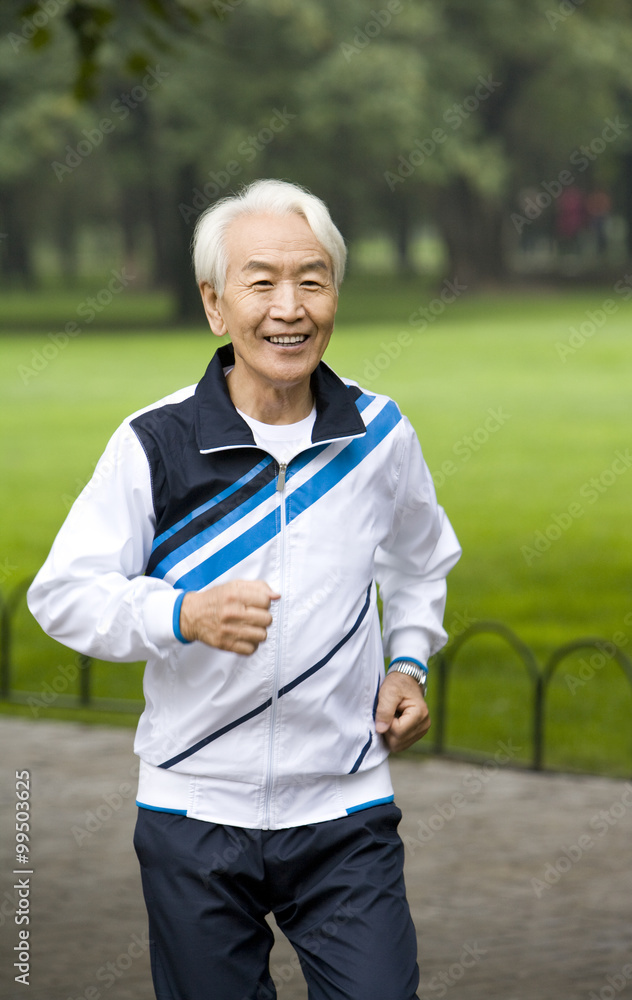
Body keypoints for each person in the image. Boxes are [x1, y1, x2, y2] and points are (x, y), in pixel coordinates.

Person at [28, 179, 461, 1000]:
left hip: (344, 810)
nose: (288, 308)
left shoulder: (379, 435)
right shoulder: (154, 442)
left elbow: (419, 559)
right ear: (214, 305)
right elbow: (64, 594)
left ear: (335, 293)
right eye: (260, 282)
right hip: (193, 813)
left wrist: (408, 664)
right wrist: (179, 614)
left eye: (312, 279)